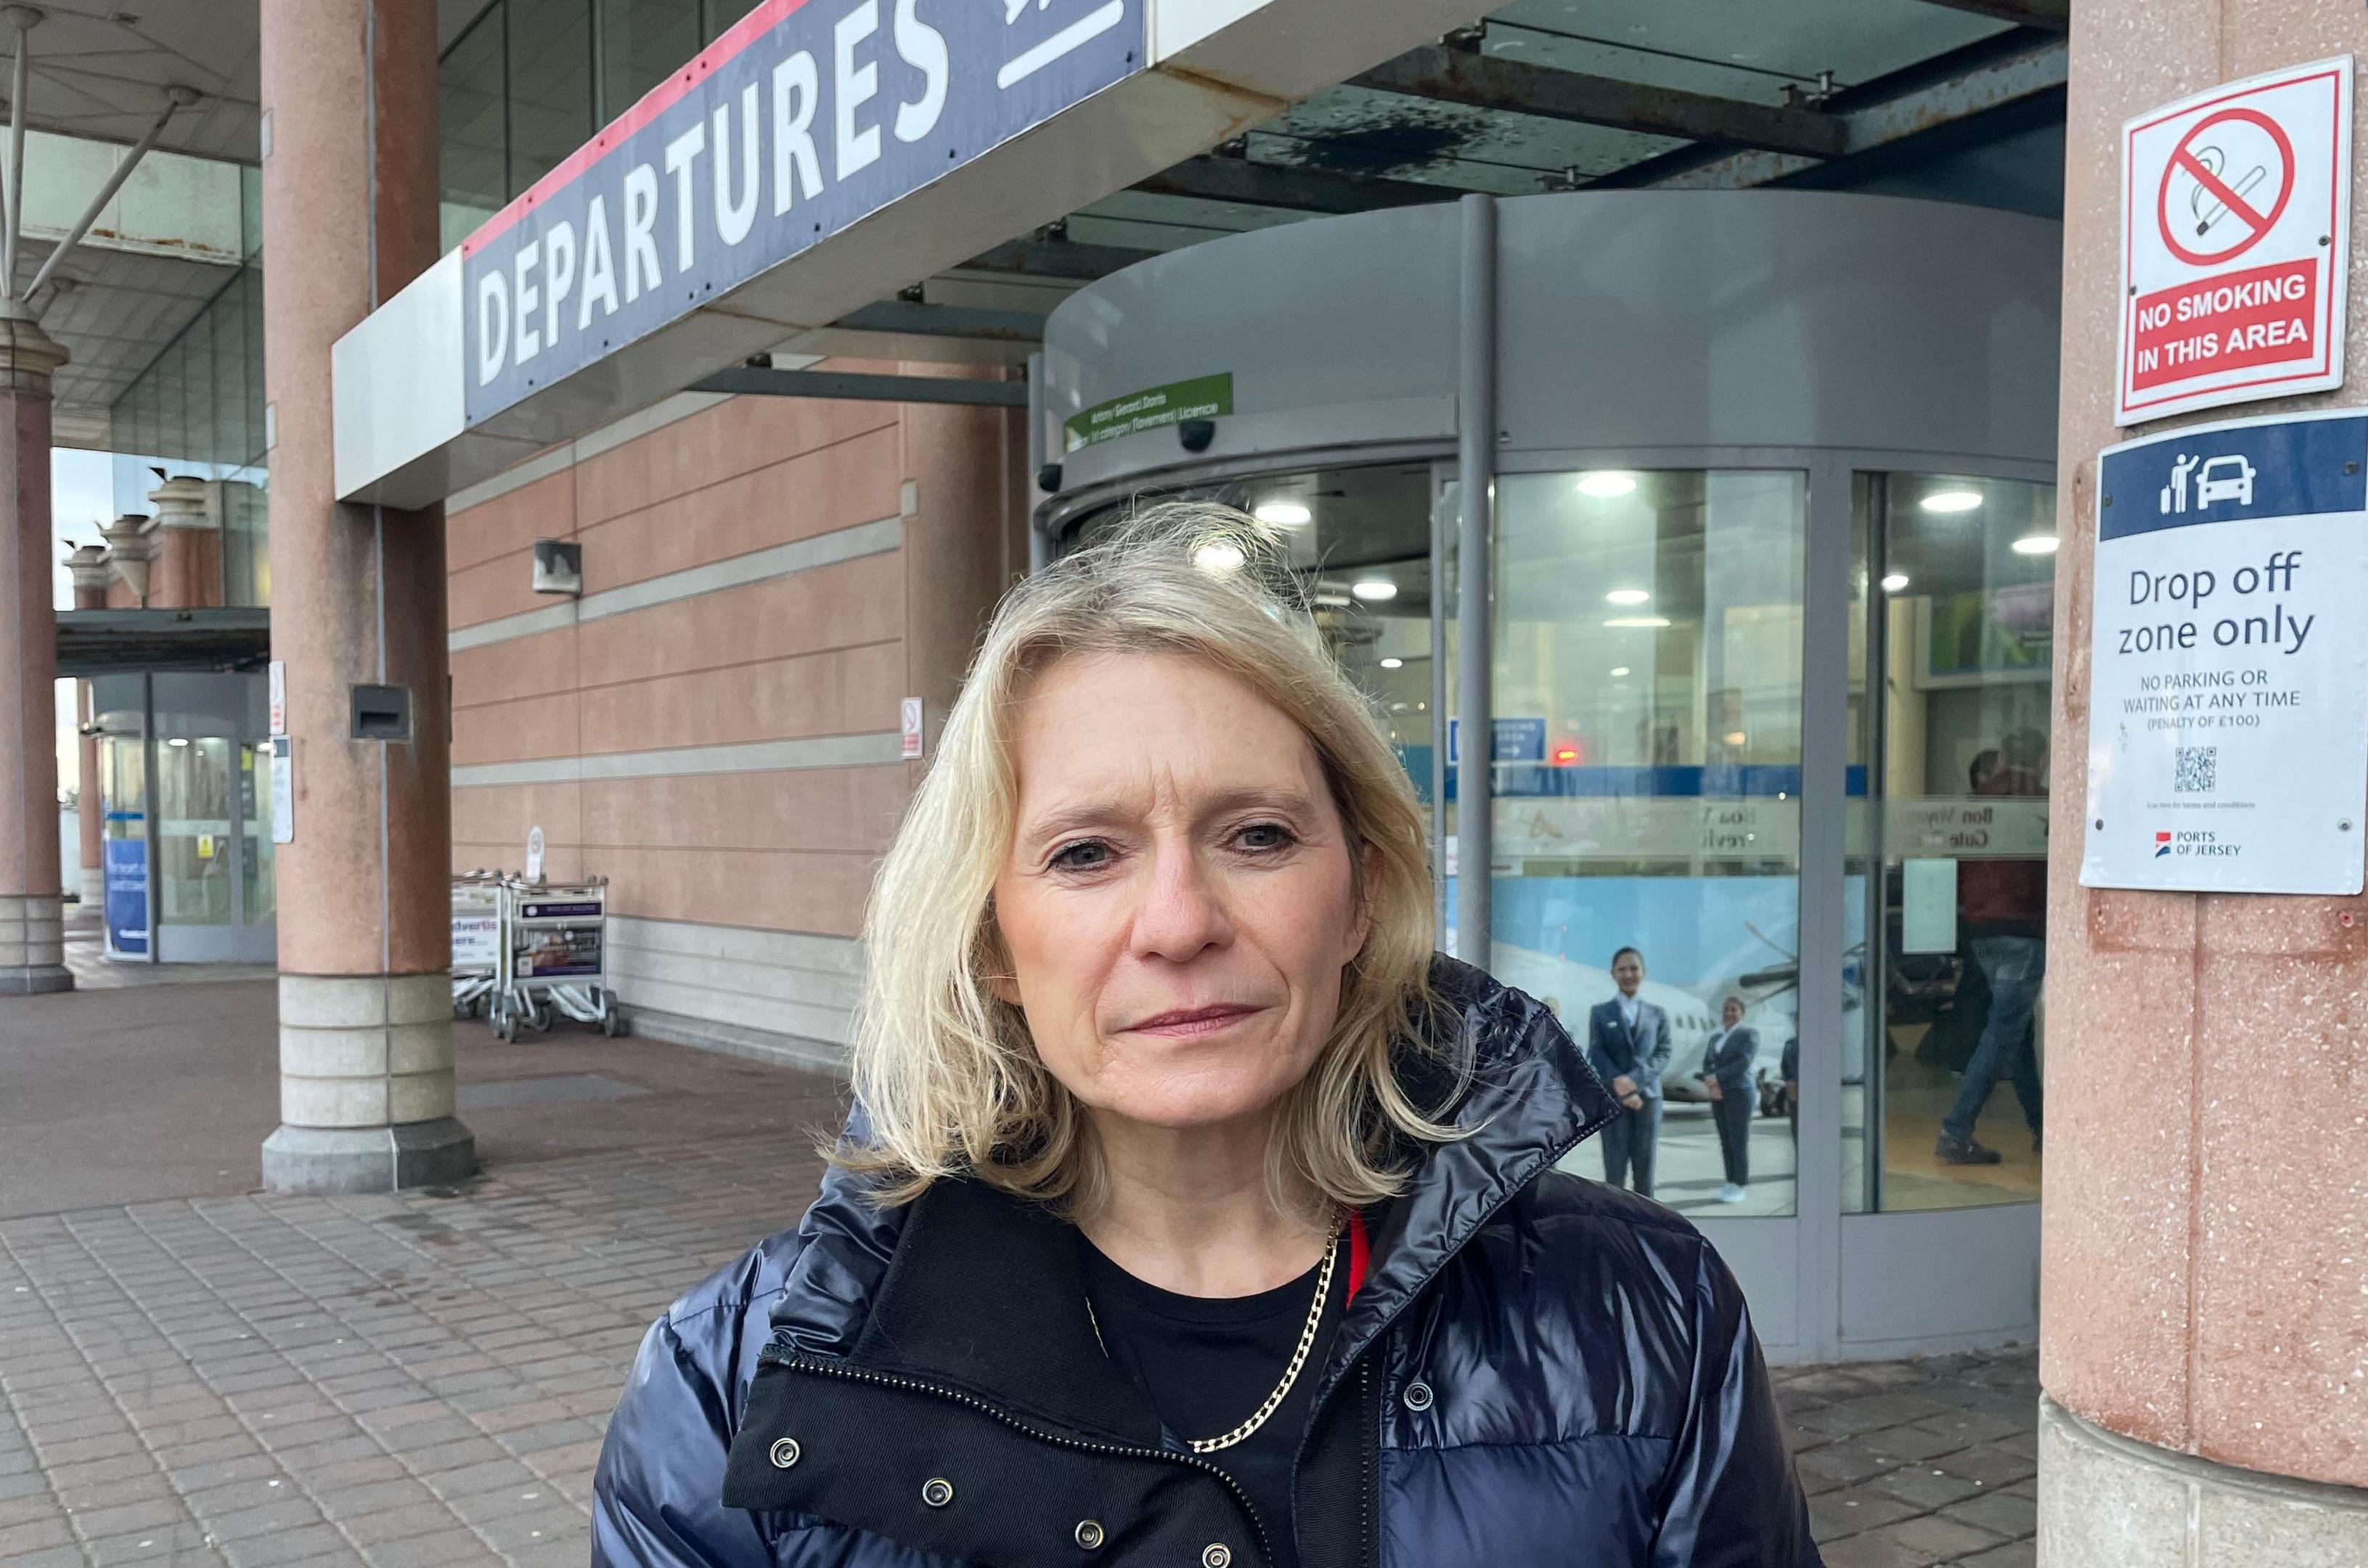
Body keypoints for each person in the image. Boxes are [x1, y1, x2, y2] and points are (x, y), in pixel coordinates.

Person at [591, 505, 1818, 1568]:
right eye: (1085, 853)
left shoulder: (1644, 1314)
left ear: (1365, 897)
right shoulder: (737, 1386)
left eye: (1259, 837)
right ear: (991, 944)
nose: (1178, 923)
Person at [1939, 726, 2048, 1166]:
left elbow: (1961, 863)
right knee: (2004, 1029)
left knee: (2015, 1031)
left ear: (2001, 757)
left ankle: (2044, 1128)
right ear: (2043, 761)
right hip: (2022, 930)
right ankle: (1956, 1130)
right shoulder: (2042, 801)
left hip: (1980, 929)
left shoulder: (1978, 802)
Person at [1586, 947, 1671, 1196]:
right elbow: (1597, 1052)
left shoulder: (1658, 1014)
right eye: (1622, 969)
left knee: (1645, 1168)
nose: (1628, 974)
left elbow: (1664, 1052)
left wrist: (1633, 1081)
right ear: (1613, 974)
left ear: (1643, 972)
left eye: (1634, 968)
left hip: (1648, 1099)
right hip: (1613, 1099)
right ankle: (1617, 1225)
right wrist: (1620, 1086)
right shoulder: (1600, 1012)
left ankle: (1647, 1223)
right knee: (1614, 1169)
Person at [1702, 994, 1760, 1203]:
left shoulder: (1748, 1034)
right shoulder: (1715, 1038)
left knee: (1738, 1139)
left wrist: (1716, 1078)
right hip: (1719, 1093)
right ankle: (1729, 1181)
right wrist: (1712, 1083)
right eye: (1726, 1009)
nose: (1728, 1013)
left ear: (1742, 1013)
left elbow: (1743, 1062)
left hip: (1740, 1092)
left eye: (1734, 1009)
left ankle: (1740, 1184)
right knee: (1725, 1138)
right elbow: (1707, 1062)